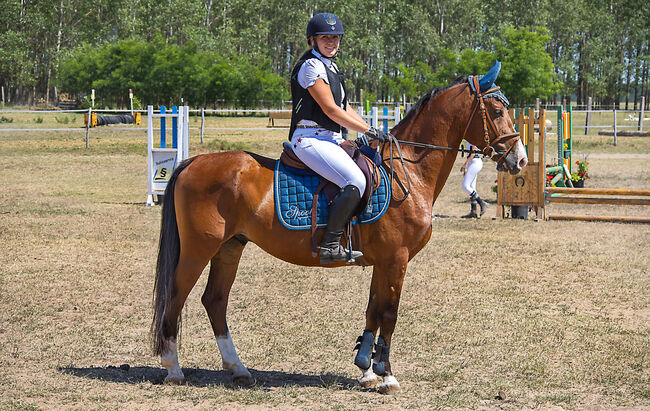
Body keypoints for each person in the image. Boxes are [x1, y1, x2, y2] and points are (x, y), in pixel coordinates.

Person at [289, 12, 388, 264]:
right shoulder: (311, 66)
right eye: (325, 38)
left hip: (330, 138)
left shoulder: (330, 67)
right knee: (354, 179)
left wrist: (368, 127)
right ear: (312, 40)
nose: (331, 42)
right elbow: (330, 110)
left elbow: (344, 107)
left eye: (335, 38)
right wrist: (366, 131)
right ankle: (330, 245)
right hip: (310, 138)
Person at [460, 142, 489, 218]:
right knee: (472, 187)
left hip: (475, 162)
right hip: (472, 162)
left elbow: (473, 153)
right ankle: (473, 212)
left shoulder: (472, 140)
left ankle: (482, 203)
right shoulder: (468, 140)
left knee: (465, 186)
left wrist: (465, 164)